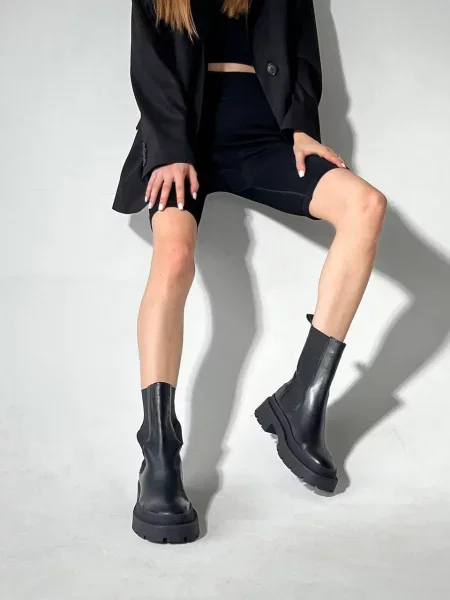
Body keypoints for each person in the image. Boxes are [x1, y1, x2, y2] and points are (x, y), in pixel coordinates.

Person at [112, 0, 387, 545]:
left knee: (366, 206)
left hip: (264, 135)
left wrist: (302, 125)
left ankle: (301, 400)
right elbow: (150, 60)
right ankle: (159, 452)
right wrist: (168, 147)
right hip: (182, 134)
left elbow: (301, 49)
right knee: (173, 256)